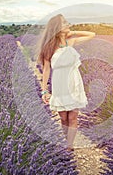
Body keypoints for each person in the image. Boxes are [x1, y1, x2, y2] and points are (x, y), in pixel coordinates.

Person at [36, 14, 95, 152]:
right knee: (63, 118)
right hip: (59, 83)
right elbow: (46, 69)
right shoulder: (49, 47)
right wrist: (44, 90)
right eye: (64, 23)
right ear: (56, 27)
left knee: (73, 116)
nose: (68, 24)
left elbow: (92, 34)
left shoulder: (71, 42)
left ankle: (69, 146)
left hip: (74, 81)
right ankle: (66, 140)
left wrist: (72, 32)